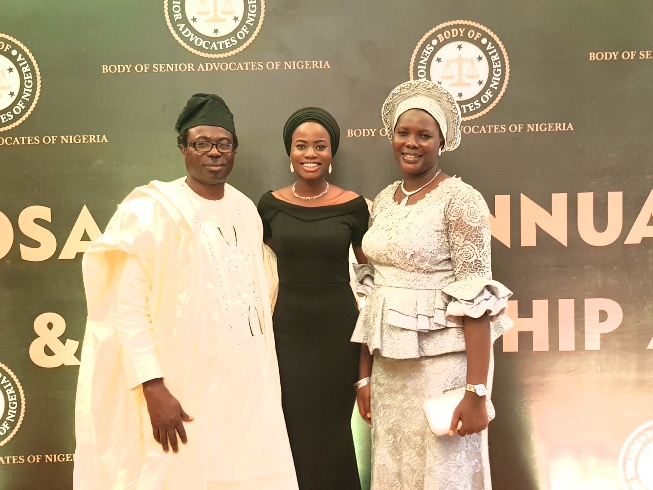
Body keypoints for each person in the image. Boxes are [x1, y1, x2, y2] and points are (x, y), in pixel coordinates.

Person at [73, 93, 298, 490]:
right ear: (183, 148)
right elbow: (127, 307)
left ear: (234, 149)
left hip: (247, 387)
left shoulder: (246, 209)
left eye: (223, 143)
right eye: (202, 143)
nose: (214, 153)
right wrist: (153, 385)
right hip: (181, 386)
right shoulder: (153, 211)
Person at [351, 80, 513, 489]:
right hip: (388, 368)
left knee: (443, 474)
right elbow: (372, 295)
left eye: (424, 135)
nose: (411, 143)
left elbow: (476, 298)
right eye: (403, 133)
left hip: (443, 369)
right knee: (395, 469)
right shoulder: (385, 199)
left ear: (442, 142)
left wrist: (476, 392)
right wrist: (365, 377)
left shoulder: (462, 200)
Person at [257, 107, 369, 490]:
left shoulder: (354, 206)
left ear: (331, 153)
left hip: (340, 333)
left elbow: (370, 272)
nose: (310, 153)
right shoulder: (269, 205)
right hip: (287, 333)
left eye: (320, 146)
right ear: (289, 152)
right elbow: (260, 264)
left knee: (335, 432)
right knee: (293, 431)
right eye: (301, 145)